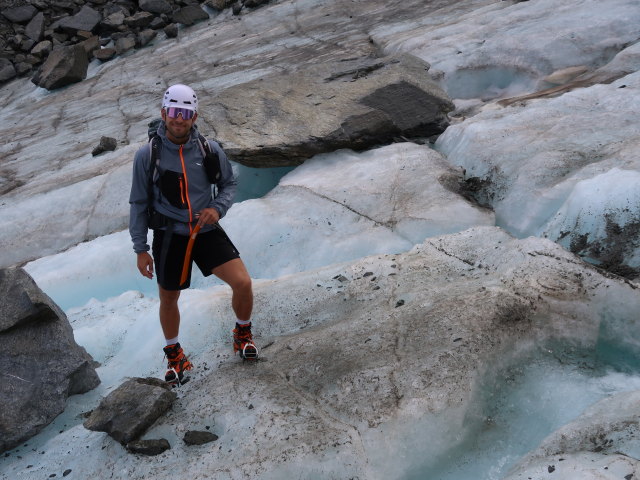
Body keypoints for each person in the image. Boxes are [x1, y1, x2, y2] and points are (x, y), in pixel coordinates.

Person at [129, 84, 257, 386]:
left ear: (194, 116)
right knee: (169, 296)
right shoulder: (148, 155)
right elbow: (138, 202)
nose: (178, 119)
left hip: (205, 229)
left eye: (185, 113)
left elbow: (228, 184)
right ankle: (174, 355)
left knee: (243, 283)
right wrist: (140, 248)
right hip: (170, 234)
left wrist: (217, 209)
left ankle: (242, 334)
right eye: (174, 112)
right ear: (163, 113)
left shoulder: (208, 149)